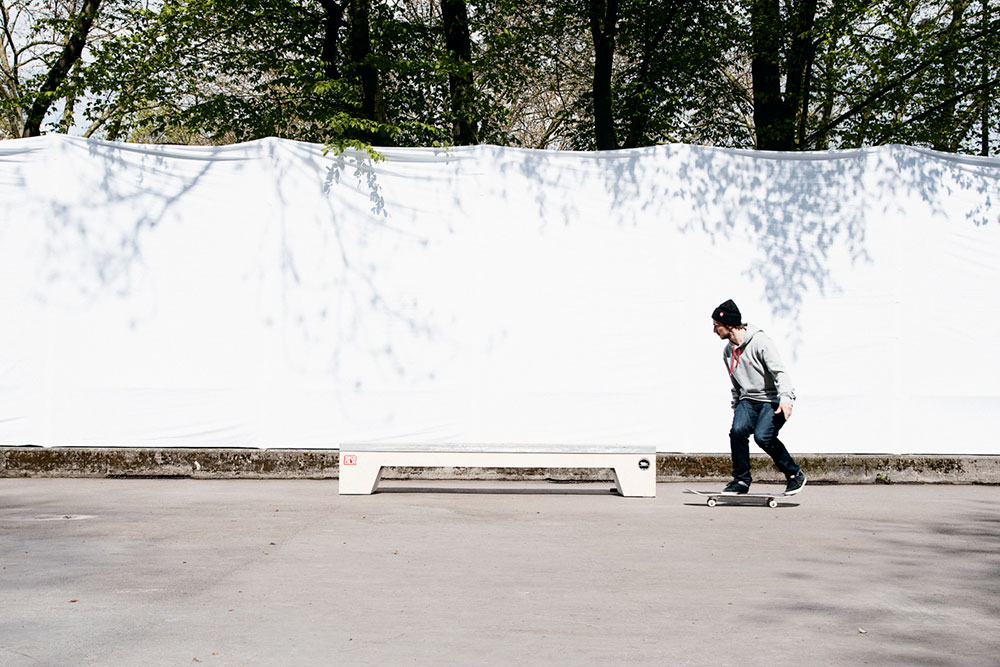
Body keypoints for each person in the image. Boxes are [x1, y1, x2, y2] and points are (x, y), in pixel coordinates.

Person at [711, 299, 806, 496]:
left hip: (771, 400)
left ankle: (794, 474)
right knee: (737, 432)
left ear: (729, 325)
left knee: (764, 437)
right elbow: (735, 382)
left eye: (716, 326)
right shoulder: (728, 351)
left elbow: (780, 372)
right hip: (747, 400)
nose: (714, 331)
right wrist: (737, 403)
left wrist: (786, 399)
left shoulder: (761, 342)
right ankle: (741, 480)